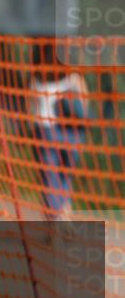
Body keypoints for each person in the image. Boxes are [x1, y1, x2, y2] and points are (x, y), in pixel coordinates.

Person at [30, 41, 89, 223]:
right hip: (71, 133)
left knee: (49, 179)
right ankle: (63, 217)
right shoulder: (72, 76)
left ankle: (55, 220)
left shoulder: (36, 78)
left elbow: (30, 106)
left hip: (44, 131)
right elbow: (85, 102)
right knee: (65, 177)